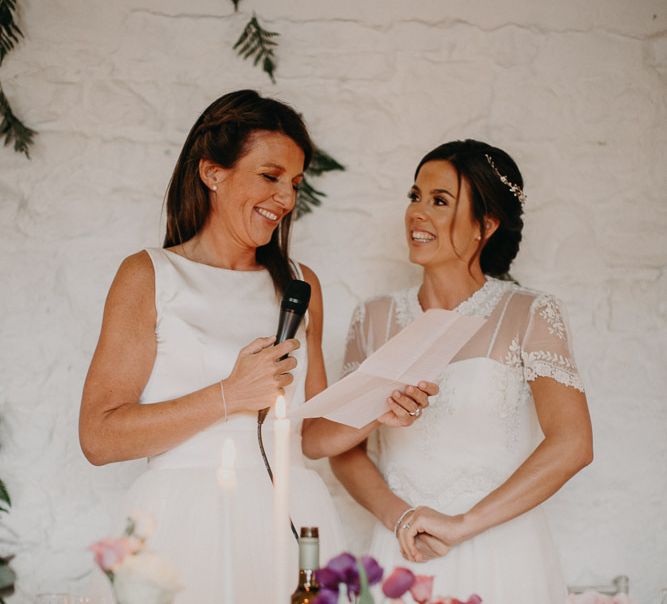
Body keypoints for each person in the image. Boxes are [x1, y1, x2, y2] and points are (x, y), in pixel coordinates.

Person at [78, 90, 433, 602]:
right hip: (182, 522)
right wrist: (229, 394)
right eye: (270, 176)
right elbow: (99, 437)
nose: (285, 200)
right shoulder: (150, 275)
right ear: (212, 172)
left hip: (289, 515)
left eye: (294, 184)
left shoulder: (298, 282)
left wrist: (381, 409)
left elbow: (309, 436)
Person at [330, 139, 593, 604]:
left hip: (502, 550)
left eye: (439, 201)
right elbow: (342, 447)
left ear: (485, 225)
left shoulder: (529, 313)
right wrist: (401, 518)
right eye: (414, 196)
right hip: (401, 552)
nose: (417, 213)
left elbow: (572, 443)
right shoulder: (371, 318)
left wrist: (462, 525)